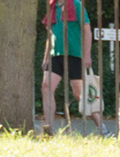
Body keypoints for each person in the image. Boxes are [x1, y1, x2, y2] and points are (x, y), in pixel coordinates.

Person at [37, 0, 91, 129]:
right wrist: (46, 57)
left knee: (78, 93)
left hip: (74, 54)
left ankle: (100, 123)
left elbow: (87, 30)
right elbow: (50, 35)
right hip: (55, 55)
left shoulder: (76, 5)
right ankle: (48, 127)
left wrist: (87, 55)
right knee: (46, 86)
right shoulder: (52, 7)